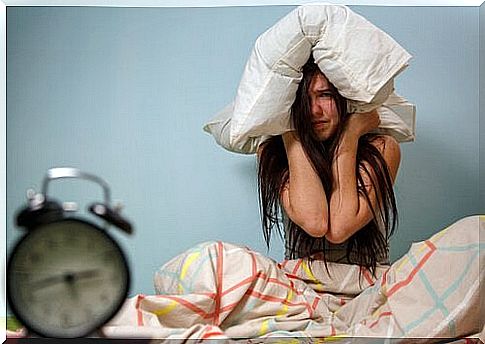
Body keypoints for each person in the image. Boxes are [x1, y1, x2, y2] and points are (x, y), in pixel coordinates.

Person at [258, 56, 401, 276]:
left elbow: (339, 228)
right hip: (302, 285)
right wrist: (288, 130)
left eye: (325, 95)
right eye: (303, 100)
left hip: (368, 284)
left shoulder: (382, 148)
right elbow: (315, 222)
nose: (314, 110)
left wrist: (350, 134)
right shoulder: (275, 152)